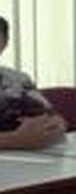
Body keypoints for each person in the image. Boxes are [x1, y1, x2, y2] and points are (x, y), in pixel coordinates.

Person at [0, 16, 66, 149]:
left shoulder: (18, 79)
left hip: (27, 156)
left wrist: (54, 126)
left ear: (5, 43)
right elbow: (22, 139)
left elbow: (54, 119)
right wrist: (16, 139)